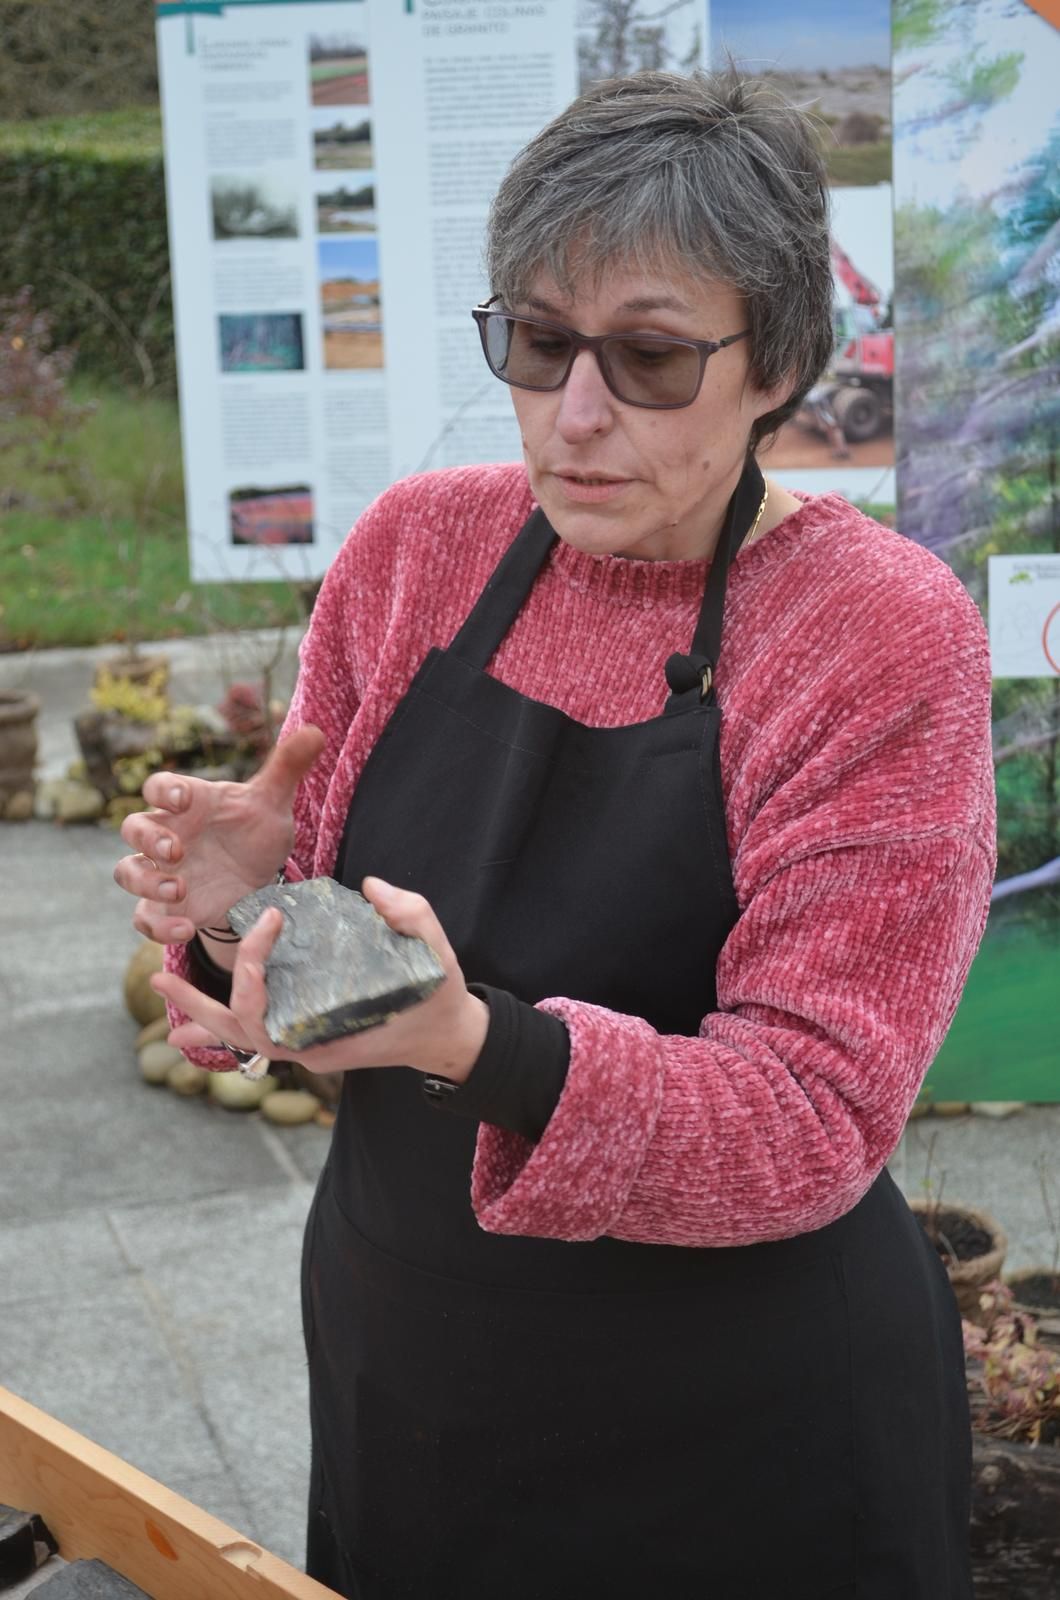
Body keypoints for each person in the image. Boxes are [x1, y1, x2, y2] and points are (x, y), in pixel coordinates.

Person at [114, 69, 995, 1600]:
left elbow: (814, 1115)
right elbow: (325, 992)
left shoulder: (876, 633)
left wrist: (480, 1044)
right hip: (414, 1360)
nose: (576, 415)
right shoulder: (418, 552)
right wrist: (244, 913)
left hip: (740, 1424)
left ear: (777, 362)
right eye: (537, 344)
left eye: (650, 357)